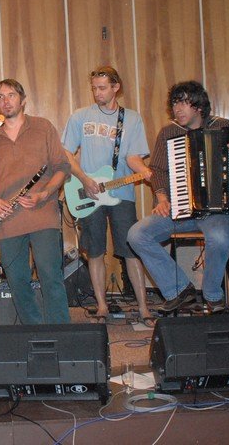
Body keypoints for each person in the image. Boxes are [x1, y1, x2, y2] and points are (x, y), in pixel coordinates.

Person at [127, 81, 229, 313]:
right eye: (174, 104)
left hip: (219, 212)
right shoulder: (169, 133)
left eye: (184, 103)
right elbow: (157, 170)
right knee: (137, 234)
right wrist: (162, 197)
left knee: (219, 236)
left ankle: (212, 295)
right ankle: (179, 290)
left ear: (198, 106)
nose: (177, 109)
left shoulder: (225, 127)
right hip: (181, 210)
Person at [61, 66, 154, 325]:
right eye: (94, 88)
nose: (97, 93)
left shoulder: (132, 119)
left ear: (116, 87)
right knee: (95, 251)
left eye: (102, 88)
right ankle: (101, 306)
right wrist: (84, 178)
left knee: (132, 249)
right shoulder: (80, 116)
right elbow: (66, 153)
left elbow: (133, 157)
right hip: (89, 192)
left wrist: (144, 171)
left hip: (121, 192)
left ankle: (144, 307)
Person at [0, 79, 71, 325]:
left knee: (50, 275)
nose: (6, 100)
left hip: (43, 213)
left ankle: (60, 332)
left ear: (23, 100)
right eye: (0, 96)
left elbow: (62, 167)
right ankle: (34, 332)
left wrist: (44, 193)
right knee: (17, 281)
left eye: (11, 95)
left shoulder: (43, 127)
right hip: (8, 219)